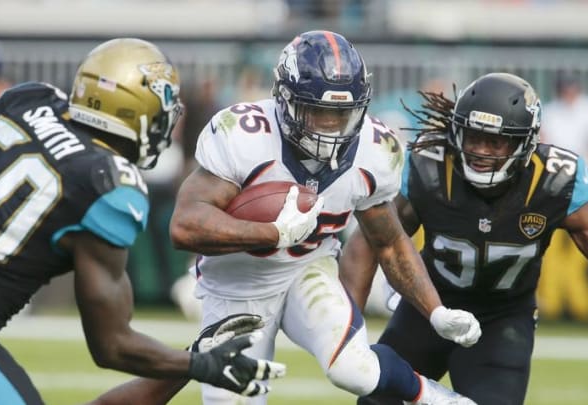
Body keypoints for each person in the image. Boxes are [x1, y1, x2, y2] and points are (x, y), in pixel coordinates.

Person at [0, 38, 283, 405]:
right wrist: (200, 363)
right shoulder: (109, 186)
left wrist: (194, 359)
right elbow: (113, 347)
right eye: (162, 111)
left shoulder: (31, 102)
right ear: (134, 112)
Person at [169, 30, 481, 405]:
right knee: (234, 399)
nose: (329, 126)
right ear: (284, 99)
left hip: (306, 268)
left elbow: (390, 242)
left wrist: (435, 311)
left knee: (352, 367)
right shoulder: (244, 134)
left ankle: (442, 401)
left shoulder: (375, 149)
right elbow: (185, 224)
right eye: (317, 110)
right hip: (235, 285)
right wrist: (270, 232)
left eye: (341, 113)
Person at [341, 73, 588, 405]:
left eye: (495, 141)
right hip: (430, 307)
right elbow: (370, 243)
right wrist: (347, 325)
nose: (481, 151)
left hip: (502, 320)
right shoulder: (431, 167)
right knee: (376, 401)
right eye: (473, 137)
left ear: (524, 143)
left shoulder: (552, 182)